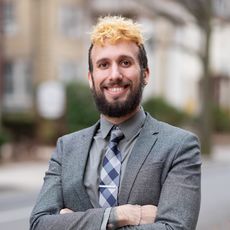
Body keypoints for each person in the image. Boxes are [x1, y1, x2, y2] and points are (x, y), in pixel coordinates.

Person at [30, 16, 201, 230]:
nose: (115, 75)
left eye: (125, 63)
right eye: (103, 65)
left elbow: (176, 228)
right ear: (91, 79)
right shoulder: (67, 148)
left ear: (145, 74)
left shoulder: (179, 146)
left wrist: (72, 222)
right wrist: (121, 215)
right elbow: (39, 224)